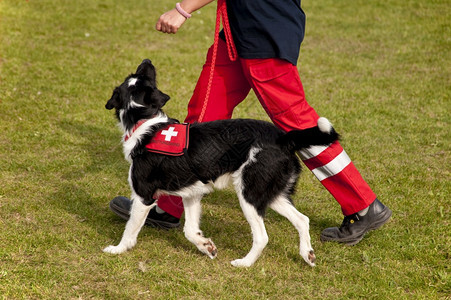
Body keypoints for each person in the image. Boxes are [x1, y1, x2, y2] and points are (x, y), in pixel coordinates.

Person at [109, 0, 391, 245]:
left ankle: (363, 205)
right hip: (238, 29)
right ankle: (168, 204)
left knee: (297, 124)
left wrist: (183, 9)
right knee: (204, 115)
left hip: (263, 28)